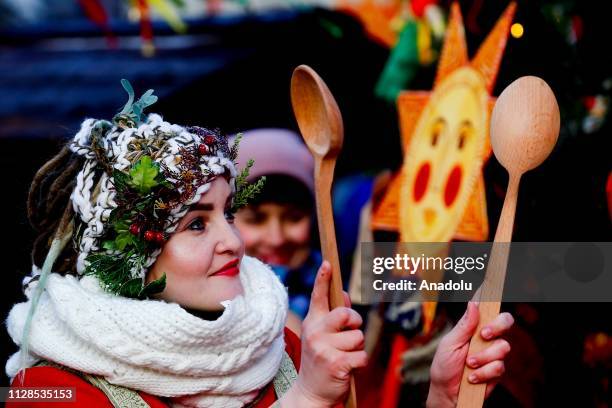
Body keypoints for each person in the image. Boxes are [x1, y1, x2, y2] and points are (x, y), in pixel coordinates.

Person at [5, 82, 513, 407]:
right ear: (126, 250)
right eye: (196, 225)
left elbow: (561, 271)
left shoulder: (283, 345)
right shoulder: (46, 392)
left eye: (227, 213)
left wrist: (446, 398)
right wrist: (309, 397)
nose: (237, 241)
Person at [232, 129, 318, 330]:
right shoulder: (199, 301)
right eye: (255, 219)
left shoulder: (341, 287)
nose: (276, 239)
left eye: (294, 218)